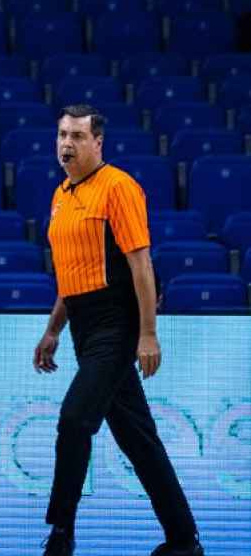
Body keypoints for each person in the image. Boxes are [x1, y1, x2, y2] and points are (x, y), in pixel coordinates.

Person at [33, 105, 201, 556]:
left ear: (98, 142)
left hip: (118, 321)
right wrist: (52, 331)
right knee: (138, 438)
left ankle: (61, 534)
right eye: (62, 135)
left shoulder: (119, 187)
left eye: (78, 136)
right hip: (83, 327)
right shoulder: (60, 196)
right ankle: (184, 540)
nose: (67, 144)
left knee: (74, 419)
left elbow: (141, 264)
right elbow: (70, 276)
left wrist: (148, 333)